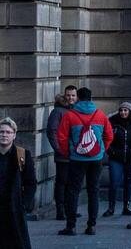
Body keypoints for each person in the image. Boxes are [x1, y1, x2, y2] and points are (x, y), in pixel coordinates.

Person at [55, 86, 112, 237]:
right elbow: (109, 135)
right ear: (91, 98)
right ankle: (91, 225)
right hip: (96, 159)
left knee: (73, 191)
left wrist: (69, 152)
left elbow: (61, 137)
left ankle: (71, 226)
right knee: (93, 191)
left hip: (77, 159)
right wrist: (101, 151)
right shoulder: (100, 115)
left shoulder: (70, 115)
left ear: (78, 98)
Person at [0, 116, 37, 249]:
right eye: (1, 132)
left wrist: (24, 205)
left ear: (14, 135)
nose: (4, 135)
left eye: (8, 132)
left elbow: (31, 182)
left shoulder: (22, 154)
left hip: (14, 208)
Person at [45, 86, 76, 221]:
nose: (70, 98)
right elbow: (52, 132)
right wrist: (59, 150)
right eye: (68, 95)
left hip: (76, 154)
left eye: (73, 95)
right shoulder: (57, 111)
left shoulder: (76, 110)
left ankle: (70, 209)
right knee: (62, 182)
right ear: (64, 96)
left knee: (72, 183)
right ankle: (60, 210)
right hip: (63, 154)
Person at [103, 102, 131, 217]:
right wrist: (110, 151)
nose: (123, 112)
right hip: (116, 158)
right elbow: (106, 138)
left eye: (125, 110)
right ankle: (111, 208)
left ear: (130, 112)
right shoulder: (112, 123)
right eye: (121, 110)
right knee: (114, 183)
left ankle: (126, 207)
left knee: (129, 183)